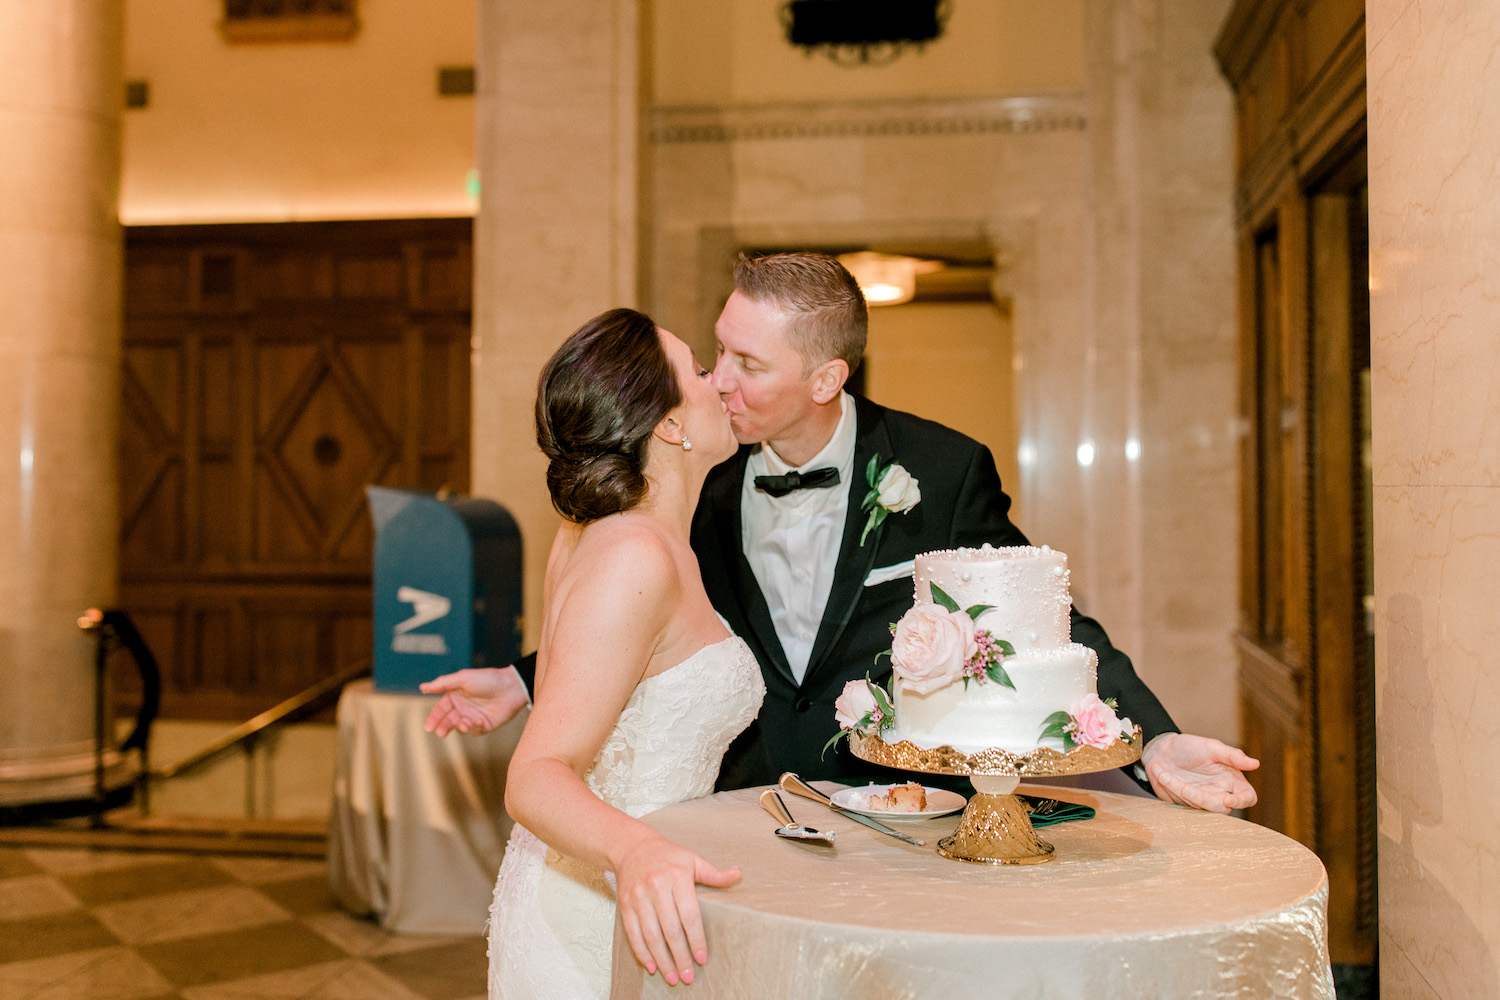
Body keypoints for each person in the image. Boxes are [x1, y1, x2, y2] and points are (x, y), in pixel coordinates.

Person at [427, 253, 1257, 814]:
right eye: (717, 351)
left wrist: (1156, 741)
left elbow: (1040, 625)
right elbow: (647, 615)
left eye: (749, 365)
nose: (720, 380)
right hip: (729, 809)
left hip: (888, 809)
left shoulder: (941, 469)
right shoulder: (694, 474)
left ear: (826, 377)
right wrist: (528, 679)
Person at [477, 307, 764, 998]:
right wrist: (636, 848)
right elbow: (537, 774)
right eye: (700, 369)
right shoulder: (634, 555)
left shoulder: (598, 531)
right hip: (596, 919)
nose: (721, 379)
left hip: (635, 900)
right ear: (667, 423)